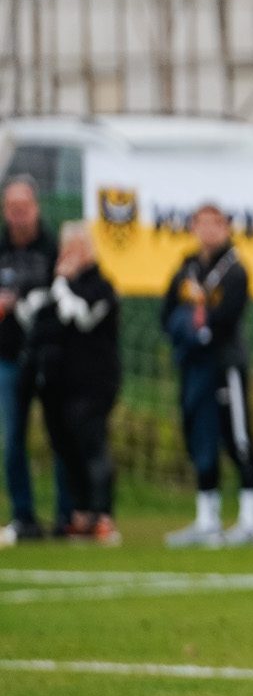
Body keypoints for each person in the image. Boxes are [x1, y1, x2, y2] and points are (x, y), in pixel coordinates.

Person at [161, 201, 253, 548]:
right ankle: (208, 519)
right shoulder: (186, 268)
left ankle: (250, 520)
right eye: (201, 223)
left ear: (226, 228)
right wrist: (186, 330)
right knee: (200, 439)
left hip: (225, 364)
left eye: (215, 224)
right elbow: (167, 313)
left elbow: (226, 317)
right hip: (194, 366)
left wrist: (203, 329)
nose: (208, 230)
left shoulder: (235, 269)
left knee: (237, 438)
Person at [24, 222, 120, 544]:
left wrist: (62, 284)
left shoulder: (101, 287)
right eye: (66, 249)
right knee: (67, 450)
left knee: (92, 447)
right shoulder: (52, 288)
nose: (69, 256)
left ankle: (103, 516)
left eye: (76, 249)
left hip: (94, 385)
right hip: (59, 386)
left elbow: (81, 316)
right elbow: (33, 318)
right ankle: (80, 515)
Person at [0, 175, 66, 542]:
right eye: (12, 208)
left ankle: (66, 516)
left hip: (49, 360)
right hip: (9, 358)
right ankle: (23, 517)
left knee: (60, 437)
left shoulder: (52, 247)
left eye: (24, 208)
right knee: (12, 439)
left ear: (36, 209)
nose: (18, 215)